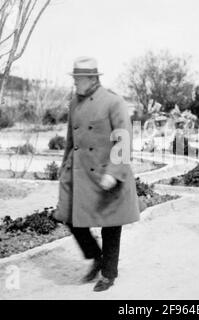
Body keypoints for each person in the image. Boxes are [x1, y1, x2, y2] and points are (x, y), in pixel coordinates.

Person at [54, 57, 140, 291]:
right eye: (74, 79)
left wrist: (113, 173)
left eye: (78, 79)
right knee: (69, 217)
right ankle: (96, 255)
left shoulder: (113, 102)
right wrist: (64, 168)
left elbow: (123, 139)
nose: (75, 84)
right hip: (80, 173)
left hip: (108, 171)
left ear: (92, 79)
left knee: (111, 224)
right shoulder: (74, 103)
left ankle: (108, 273)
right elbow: (71, 141)